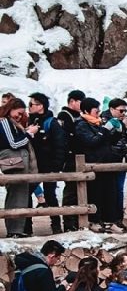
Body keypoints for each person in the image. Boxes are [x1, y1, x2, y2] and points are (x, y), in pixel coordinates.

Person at [75, 97, 121, 233]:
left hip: (106, 163)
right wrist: (105, 130)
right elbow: (92, 142)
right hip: (92, 164)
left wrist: (116, 131)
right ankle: (94, 220)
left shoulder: (98, 123)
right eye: (96, 111)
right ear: (86, 111)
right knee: (95, 194)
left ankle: (109, 220)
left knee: (110, 194)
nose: (98, 113)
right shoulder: (81, 125)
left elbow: (107, 141)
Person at [27, 93, 67, 233]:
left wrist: (56, 165)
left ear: (40, 106)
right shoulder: (29, 122)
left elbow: (60, 144)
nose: (29, 107)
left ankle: (56, 225)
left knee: (50, 195)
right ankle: (27, 226)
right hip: (32, 165)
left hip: (48, 165)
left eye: (32, 104)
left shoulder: (51, 123)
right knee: (27, 193)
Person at [0, 97, 39, 238]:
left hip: (19, 162)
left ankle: (16, 230)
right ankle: (13, 230)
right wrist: (29, 134)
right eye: (18, 112)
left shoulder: (12, 123)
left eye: (22, 114)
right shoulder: (4, 122)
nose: (19, 116)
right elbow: (14, 144)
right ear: (11, 109)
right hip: (14, 162)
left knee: (20, 196)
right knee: (15, 196)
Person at [100, 98, 127, 230]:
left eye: (125, 110)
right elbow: (106, 139)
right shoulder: (106, 121)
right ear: (112, 109)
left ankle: (118, 218)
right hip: (109, 160)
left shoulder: (120, 123)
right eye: (121, 110)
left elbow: (124, 139)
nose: (123, 113)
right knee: (110, 190)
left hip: (121, 160)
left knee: (119, 190)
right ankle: (110, 218)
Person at [57, 90, 85, 231]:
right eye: (80, 101)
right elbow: (68, 136)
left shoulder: (79, 116)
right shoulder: (64, 116)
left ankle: (78, 220)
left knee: (80, 191)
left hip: (80, 158)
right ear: (72, 101)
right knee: (71, 191)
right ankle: (68, 222)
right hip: (70, 158)